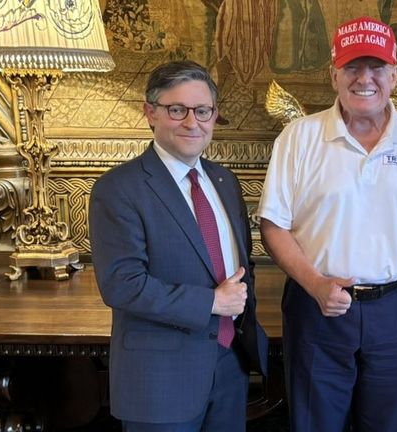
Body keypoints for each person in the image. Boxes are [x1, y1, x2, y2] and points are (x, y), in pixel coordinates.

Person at [257, 16, 397, 432]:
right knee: (315, 423)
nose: (365, 79)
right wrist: (316, 285)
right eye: (352, 68)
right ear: (334, 75)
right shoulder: (298, 136)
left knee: (389, 424)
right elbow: (273, 226)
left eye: (376, 67)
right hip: (316, 305)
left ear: (395, 75)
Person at [89, 60, 268, 432]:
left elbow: (239, 263)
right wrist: (212, 303)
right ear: (150, 113)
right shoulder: (119, 189)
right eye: (177, 110)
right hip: (160, 380)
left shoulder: (224, 180)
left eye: (202, 111)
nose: (192, 122)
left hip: (229, 366)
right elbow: (122, 284)